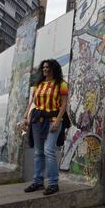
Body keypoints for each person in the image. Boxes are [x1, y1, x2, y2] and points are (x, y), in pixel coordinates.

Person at [22, 59, 69, 196]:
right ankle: (38, 182)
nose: (45, 69)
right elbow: (32, 102)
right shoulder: (38, 85)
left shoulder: (62, 84)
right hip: (38, 120)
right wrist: (25, 117)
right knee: (38, 152)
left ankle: (53, 183)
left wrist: (57, 121)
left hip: (53, 120)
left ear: (54, 68)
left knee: (49, 150)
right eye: (43, 67)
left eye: (48, 67)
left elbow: (64, 104)